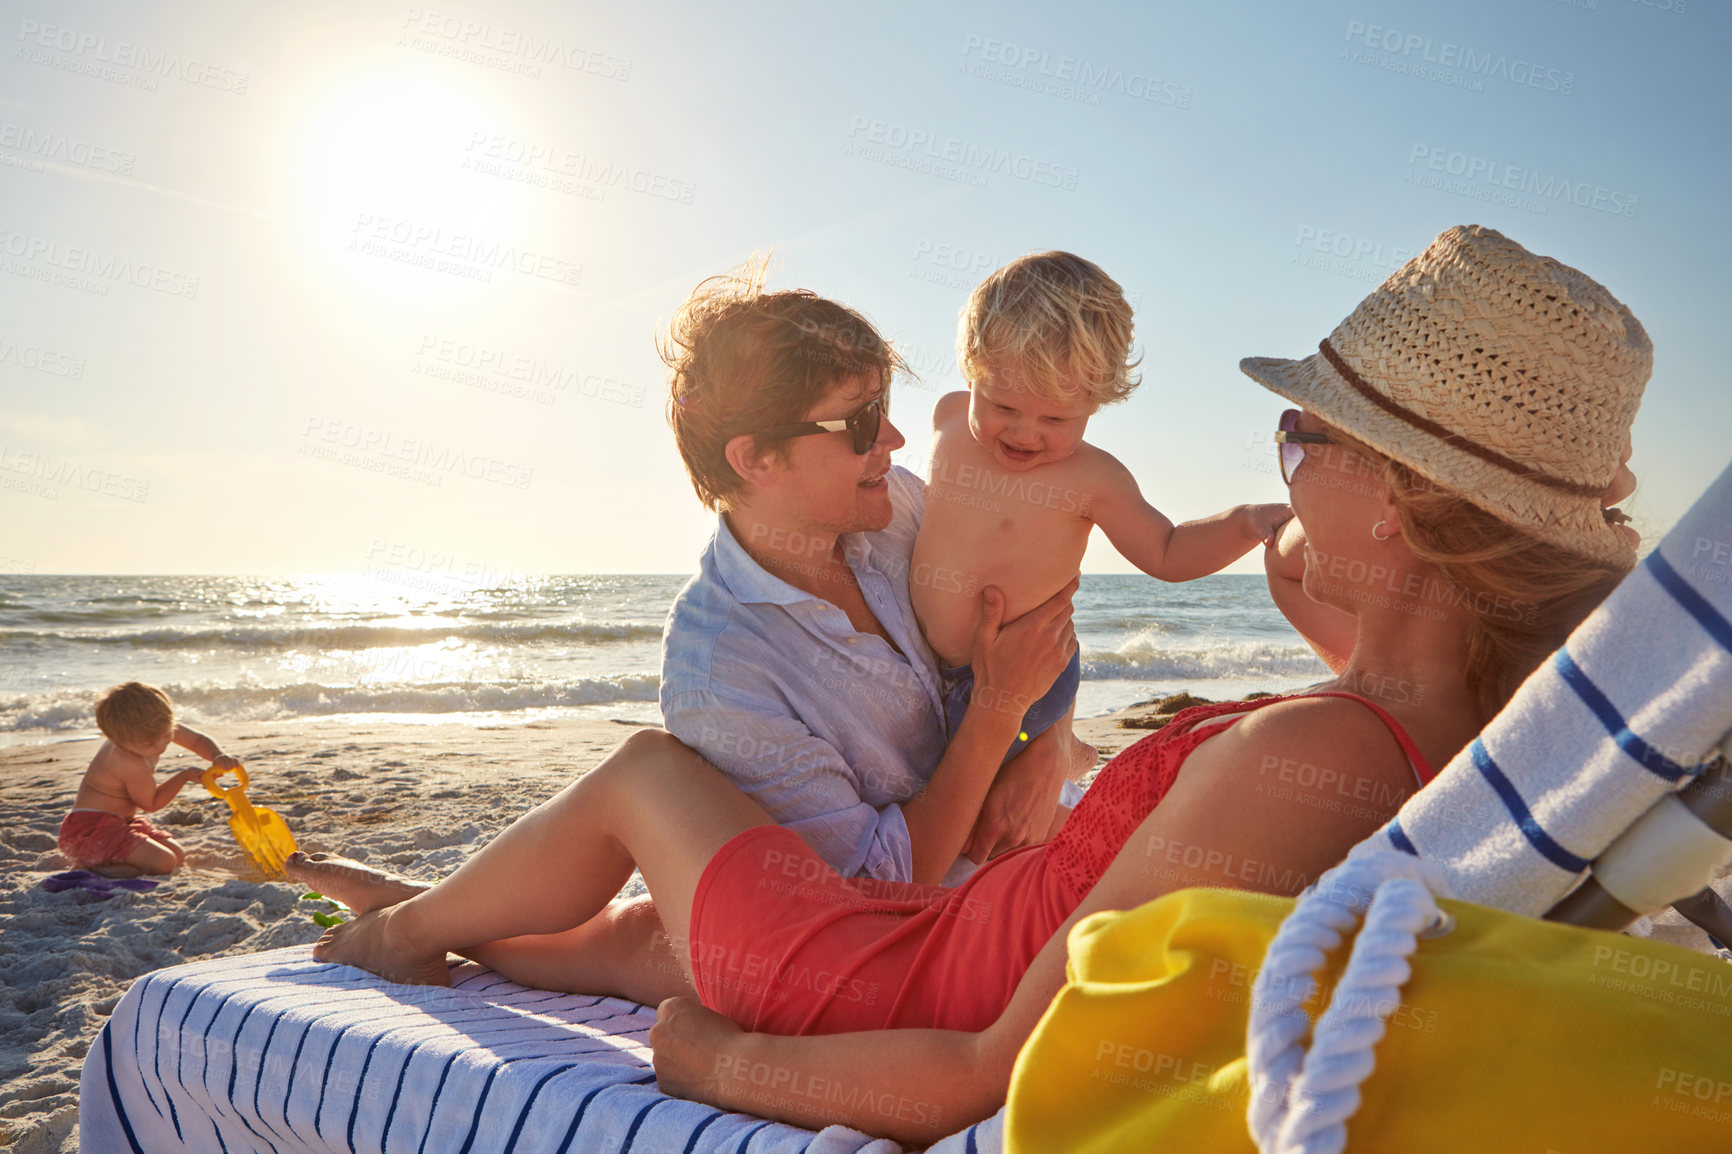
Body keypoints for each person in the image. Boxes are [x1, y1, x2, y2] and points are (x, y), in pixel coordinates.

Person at [289, 224, 1647, 1144]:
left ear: (1402, 504)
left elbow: (981, 1071)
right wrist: (1346, 584)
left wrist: (707, 1062)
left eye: (1303, 435)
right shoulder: (1448, 724)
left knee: (651, 778)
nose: (1276, 457)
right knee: (646, 931)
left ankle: (406, 939)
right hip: (925, 918)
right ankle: (437, 926)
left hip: (885, 967)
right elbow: (1369, 690)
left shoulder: (1308, 755)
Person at [657, 261, 1092, 886]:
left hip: (1047, 846)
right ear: (754, 458)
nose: (893, 437)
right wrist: (1000, 715)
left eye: (883, 407)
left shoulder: (900, 506)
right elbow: (877, 885)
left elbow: (1042, 628)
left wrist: (1047, 746)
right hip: (937, 930)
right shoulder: (721, 672)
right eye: (860, 422)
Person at [914, 250, 1290, 767]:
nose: (1025, 432)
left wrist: (1244, 521)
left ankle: (1061, 756)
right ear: (971, 371)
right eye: (1003, 406)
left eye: (1055, 417)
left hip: (1028, 680)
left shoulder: (1095, 479)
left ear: (1097, 401)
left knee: (973, 796)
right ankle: (1063, 752)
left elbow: (1168, 552)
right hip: (929, 664)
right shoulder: (949, 418)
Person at [57, 681, 240, 875]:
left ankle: (119, 866)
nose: (161, 744)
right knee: (164, 862)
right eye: (150, 744)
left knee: (177, 855)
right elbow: (151, 803)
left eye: (166, 735)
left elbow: (197, 740)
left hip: (122, 824)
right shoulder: (129, 761)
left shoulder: (154, 727)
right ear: (122, 741)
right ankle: (93, 867)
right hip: (91, 831)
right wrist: (183, 776)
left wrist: (216, 755)